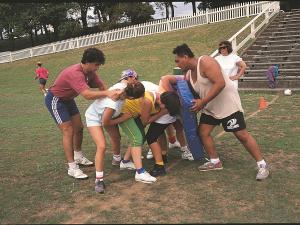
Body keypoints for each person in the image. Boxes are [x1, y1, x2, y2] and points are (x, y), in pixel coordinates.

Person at [160, 43, 270, 181]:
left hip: (227, 104)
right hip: (211, 107)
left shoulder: (205, 61)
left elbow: (220, 83)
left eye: (178, 60)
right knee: (203, 132)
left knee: (241, 135)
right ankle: (215, 161)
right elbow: (195, 93)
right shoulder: (187, 74)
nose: (177, 63)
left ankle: (262, 165)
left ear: (186, 57)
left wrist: (203, 102)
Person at [44, 47, 122, 179]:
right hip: (56, 100)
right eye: (96, 64)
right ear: (87, 62)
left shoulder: (90, 72)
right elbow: (87, 95)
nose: (98, 67)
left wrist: (111, 99)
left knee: (79, 128)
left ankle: (78, 156)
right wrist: (108, 93)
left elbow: (102, 87)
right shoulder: (76, 73)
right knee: (68, 131)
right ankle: (72, 167)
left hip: (68, 100)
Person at [105, 69, 182, 177]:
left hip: (133, 114)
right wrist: (160, 113)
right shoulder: (148, 101)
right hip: (126, 114)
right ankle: (142, 171)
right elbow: (145, 121)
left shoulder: (159, 99)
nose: (166, 110)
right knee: (138, 138)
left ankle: (126, 162)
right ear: (163, 103)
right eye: (167, 108)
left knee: (140, 138)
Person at [85, 81, 145, 193]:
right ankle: (99, 180)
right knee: (102, 146)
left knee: (116, 137)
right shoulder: (113, 105)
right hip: (95, 118)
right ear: (131, 97)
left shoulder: (124, 87)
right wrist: (124, 118)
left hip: (108, 116)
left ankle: (117, 159)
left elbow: (126, 80)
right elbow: (106, 123)